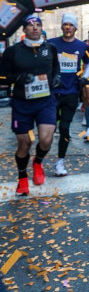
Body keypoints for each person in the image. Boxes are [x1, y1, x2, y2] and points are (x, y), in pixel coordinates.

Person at [0, 14, 60, 196]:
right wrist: (18, 78)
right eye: (30, 25)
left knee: (46, 139)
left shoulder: (50, 48)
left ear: (42, 28)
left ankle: (38, 162)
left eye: (38, 25)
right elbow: (2, 76)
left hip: (45, 101)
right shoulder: (13, 51)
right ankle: (22, 178)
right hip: (22, 103)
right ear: (24, 29)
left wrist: (56, 77)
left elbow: (56, 68)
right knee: (24, 143)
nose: (34, 27)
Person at [48, 13, 89, 177]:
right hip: (52, 93)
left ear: (75, 28)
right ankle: (40, 158)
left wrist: (84, 77)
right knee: (48, 130)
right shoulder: (52, 44)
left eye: (71, 25)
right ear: (61, 27)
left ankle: (60, 162)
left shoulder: (82, 46)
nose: (67, 27)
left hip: (71, 92)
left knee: (64, 128)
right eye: (65, 24)